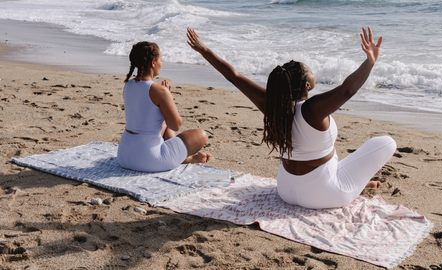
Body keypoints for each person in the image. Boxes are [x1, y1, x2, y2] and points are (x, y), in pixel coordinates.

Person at [187, 27, 396, 209]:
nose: (313, 73)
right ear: (307, 85)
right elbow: (346, 91)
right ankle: (350, 186)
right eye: (310, 71)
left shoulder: (273, 106)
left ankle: (353, 183)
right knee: (387, 142)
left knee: (330, 158)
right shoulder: (312, 109)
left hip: (286, 189)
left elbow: (234, 76)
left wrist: (204, 50)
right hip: (323, 193)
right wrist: (369, 63)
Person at [117, 41, 211, 172]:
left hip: (124, 156)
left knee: (163, 126)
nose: (162, 64)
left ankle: (180, 157)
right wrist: (167, 98)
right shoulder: (159, 91)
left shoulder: (128, 85)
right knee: (201, 134)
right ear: (153, 62)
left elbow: (146, 119)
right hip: (148, 160)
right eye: (161, 60)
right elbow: (176, 125)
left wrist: (163, 101)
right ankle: (183, 158)